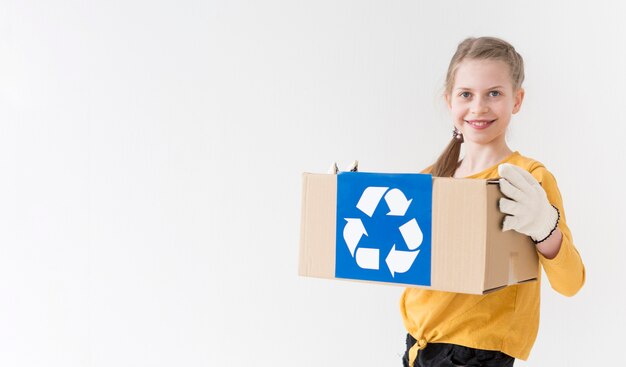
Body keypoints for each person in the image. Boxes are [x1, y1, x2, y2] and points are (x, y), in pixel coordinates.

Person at [330, 36, 585, 366]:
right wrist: (346, 202)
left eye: (494, 93)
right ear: (449, 100)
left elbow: (571, 282)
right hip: (417, 346)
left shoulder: (527, 179)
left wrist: (545, 228)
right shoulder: (431, 178)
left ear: (517, 100)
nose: (478, 107)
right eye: (466, 94)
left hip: (477, 354)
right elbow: (397, 254)